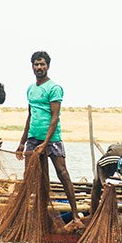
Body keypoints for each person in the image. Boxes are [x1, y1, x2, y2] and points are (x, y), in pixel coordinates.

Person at [16, 51, 81, 225]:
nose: (39, 67)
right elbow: (30, 116)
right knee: (32, 176)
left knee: (62, 173)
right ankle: (39, 214)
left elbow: (54, 117)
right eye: (36, 64)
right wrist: (22, 143)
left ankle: (75, 215)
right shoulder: (30, 89)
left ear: (48, 66)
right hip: (33, 138)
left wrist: (45, 143)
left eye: (42, 64)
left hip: (52, 139)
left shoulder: (54, 88)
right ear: (32, 67)